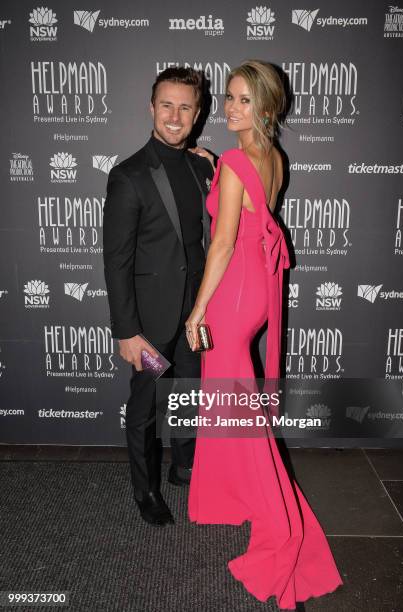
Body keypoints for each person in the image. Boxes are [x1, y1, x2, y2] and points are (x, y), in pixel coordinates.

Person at [185, 60, 343, 610]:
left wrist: (198, 309)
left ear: (267, 107)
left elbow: (223, 243)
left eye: (244, 100)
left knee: (235, 405)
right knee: (231, 398)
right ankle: (226, 496)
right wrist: (218, 167)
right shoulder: (272, 157)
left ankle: (270, 507)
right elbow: (253, 204)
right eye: (229, 98)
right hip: (259, 291)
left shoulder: (235, 160)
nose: (230, 108)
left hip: (231, 294)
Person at [103, 67, 213, 527]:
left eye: (185, 106)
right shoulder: (128, 175)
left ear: (198, 112)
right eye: (166, 105)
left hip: (194, 317)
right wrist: (127, 331)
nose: (174, 115)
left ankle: (184, 467)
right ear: (151, 107)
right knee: (146, 404)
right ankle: (145, 490)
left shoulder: (201, 165)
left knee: (189, 392)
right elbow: (116, 261)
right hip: (149, 325)